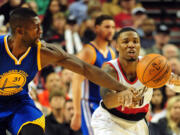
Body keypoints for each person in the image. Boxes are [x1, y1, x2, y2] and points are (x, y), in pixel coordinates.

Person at [0, 8, 134, 135]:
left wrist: (121, 88)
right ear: (19, 31)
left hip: (19, 103)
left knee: (33, 131)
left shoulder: (44, 52)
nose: (41, 31)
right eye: (35, 27)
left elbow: (85, 68)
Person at [91, 27, 180, 135]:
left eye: (135, 41)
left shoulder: (150, 65)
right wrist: (122, 97)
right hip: (110, 120)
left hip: (138, 123)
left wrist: (175, 82)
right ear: (116, 46)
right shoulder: (110, 69)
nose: (131, 45)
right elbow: (108, 101)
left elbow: (176, 85)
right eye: (125, 41)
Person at [70, 15, 116, 135]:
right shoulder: (89, 51)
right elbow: (76, 81)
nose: (110, 30)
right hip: (89, 103)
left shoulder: (111, 52)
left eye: (112, 27)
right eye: (107, 27)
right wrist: (77, 112)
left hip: (105, 105)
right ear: (97, 28)